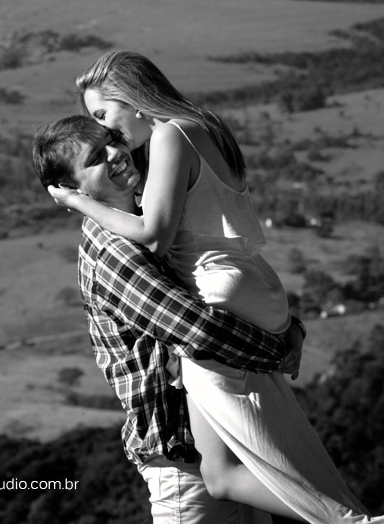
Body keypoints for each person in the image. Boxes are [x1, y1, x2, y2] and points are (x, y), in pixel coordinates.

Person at [47, 51, 384, 524]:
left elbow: (154, 237)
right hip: (253, 283)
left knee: (223, 473)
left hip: (216, 289)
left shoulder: (170, 136)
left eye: (103, 116)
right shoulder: (206, 127)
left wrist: (77, 200)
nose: (110, 134)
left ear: (130, 98)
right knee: (245, 464)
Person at [32, 115, 305, 524]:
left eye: (110, 139)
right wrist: (281, 347)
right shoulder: (115, 250)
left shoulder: (149, 215)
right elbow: (198, 328)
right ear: (72, 190)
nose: (115, 152)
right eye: (95, 157)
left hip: (221, 436)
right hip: (184, 463)